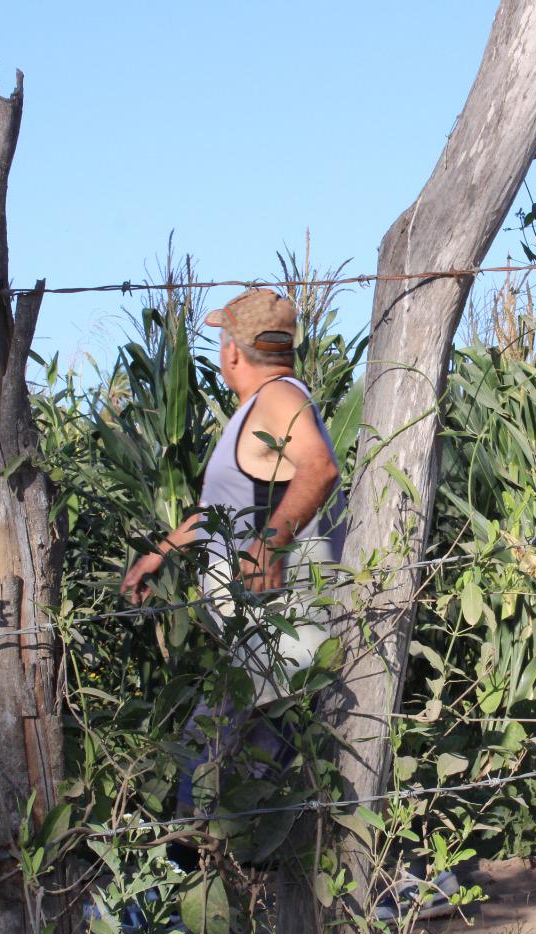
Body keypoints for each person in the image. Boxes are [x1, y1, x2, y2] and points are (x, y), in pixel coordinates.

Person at [120, 288, 346, 867]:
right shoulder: (263, 406)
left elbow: (320, 469)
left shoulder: (276, 399)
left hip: (279, 635)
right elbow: (222, 511)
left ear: (232, 352)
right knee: (240, 763)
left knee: (214, 757)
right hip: (260, 637)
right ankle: (214, 890)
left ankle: (181, 898)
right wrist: (161, 553)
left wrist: (269, 548)